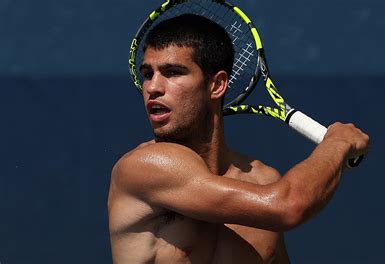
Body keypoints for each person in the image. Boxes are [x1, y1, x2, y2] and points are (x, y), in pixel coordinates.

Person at [108, 14, 369, 264]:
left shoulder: (263, 181)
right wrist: (337, 144)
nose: (153, 87)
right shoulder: (145, 166)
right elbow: (289, 206)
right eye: (147, 74)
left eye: (173, 72)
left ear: (217, 85)